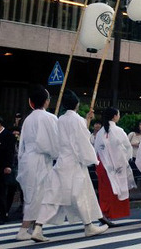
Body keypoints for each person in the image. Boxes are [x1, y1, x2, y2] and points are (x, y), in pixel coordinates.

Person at [30, 90, 108, 242]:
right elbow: (82, 140)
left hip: (61, 162)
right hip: (75, 163)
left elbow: (69, 138)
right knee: (82, 195)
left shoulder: (61, 119)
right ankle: (88, 226)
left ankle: (38, 227)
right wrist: (93, 159)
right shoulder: (77, 120)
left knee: (52, 196)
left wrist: (86, 121)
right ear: (77, 104)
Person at [14, 86, 58, 241]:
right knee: (39, 195)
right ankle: (26, 228)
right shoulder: (50, 118)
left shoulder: (28, 119)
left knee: (32, 195)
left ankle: (33, 228)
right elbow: (54, 143)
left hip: (27, 158)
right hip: (41, 159)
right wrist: (56, 154)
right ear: (46, 101)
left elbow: (23, 144)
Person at [94, 107, 134, 224]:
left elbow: (96, 150)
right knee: (114, 190)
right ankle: (109, 214)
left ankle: (104, 213)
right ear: (114, 116)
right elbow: (127, 148)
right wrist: (125, 161)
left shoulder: (100, 132)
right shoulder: (119, 131)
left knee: (104, 191)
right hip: (117, 165)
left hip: (102, 165)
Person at [127, 121, 141, 200]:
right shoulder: (132, 134)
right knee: (133, 176)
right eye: (140, 124)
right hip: (133, 157)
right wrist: (134, 144)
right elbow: (126, 143)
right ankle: (130, 195)